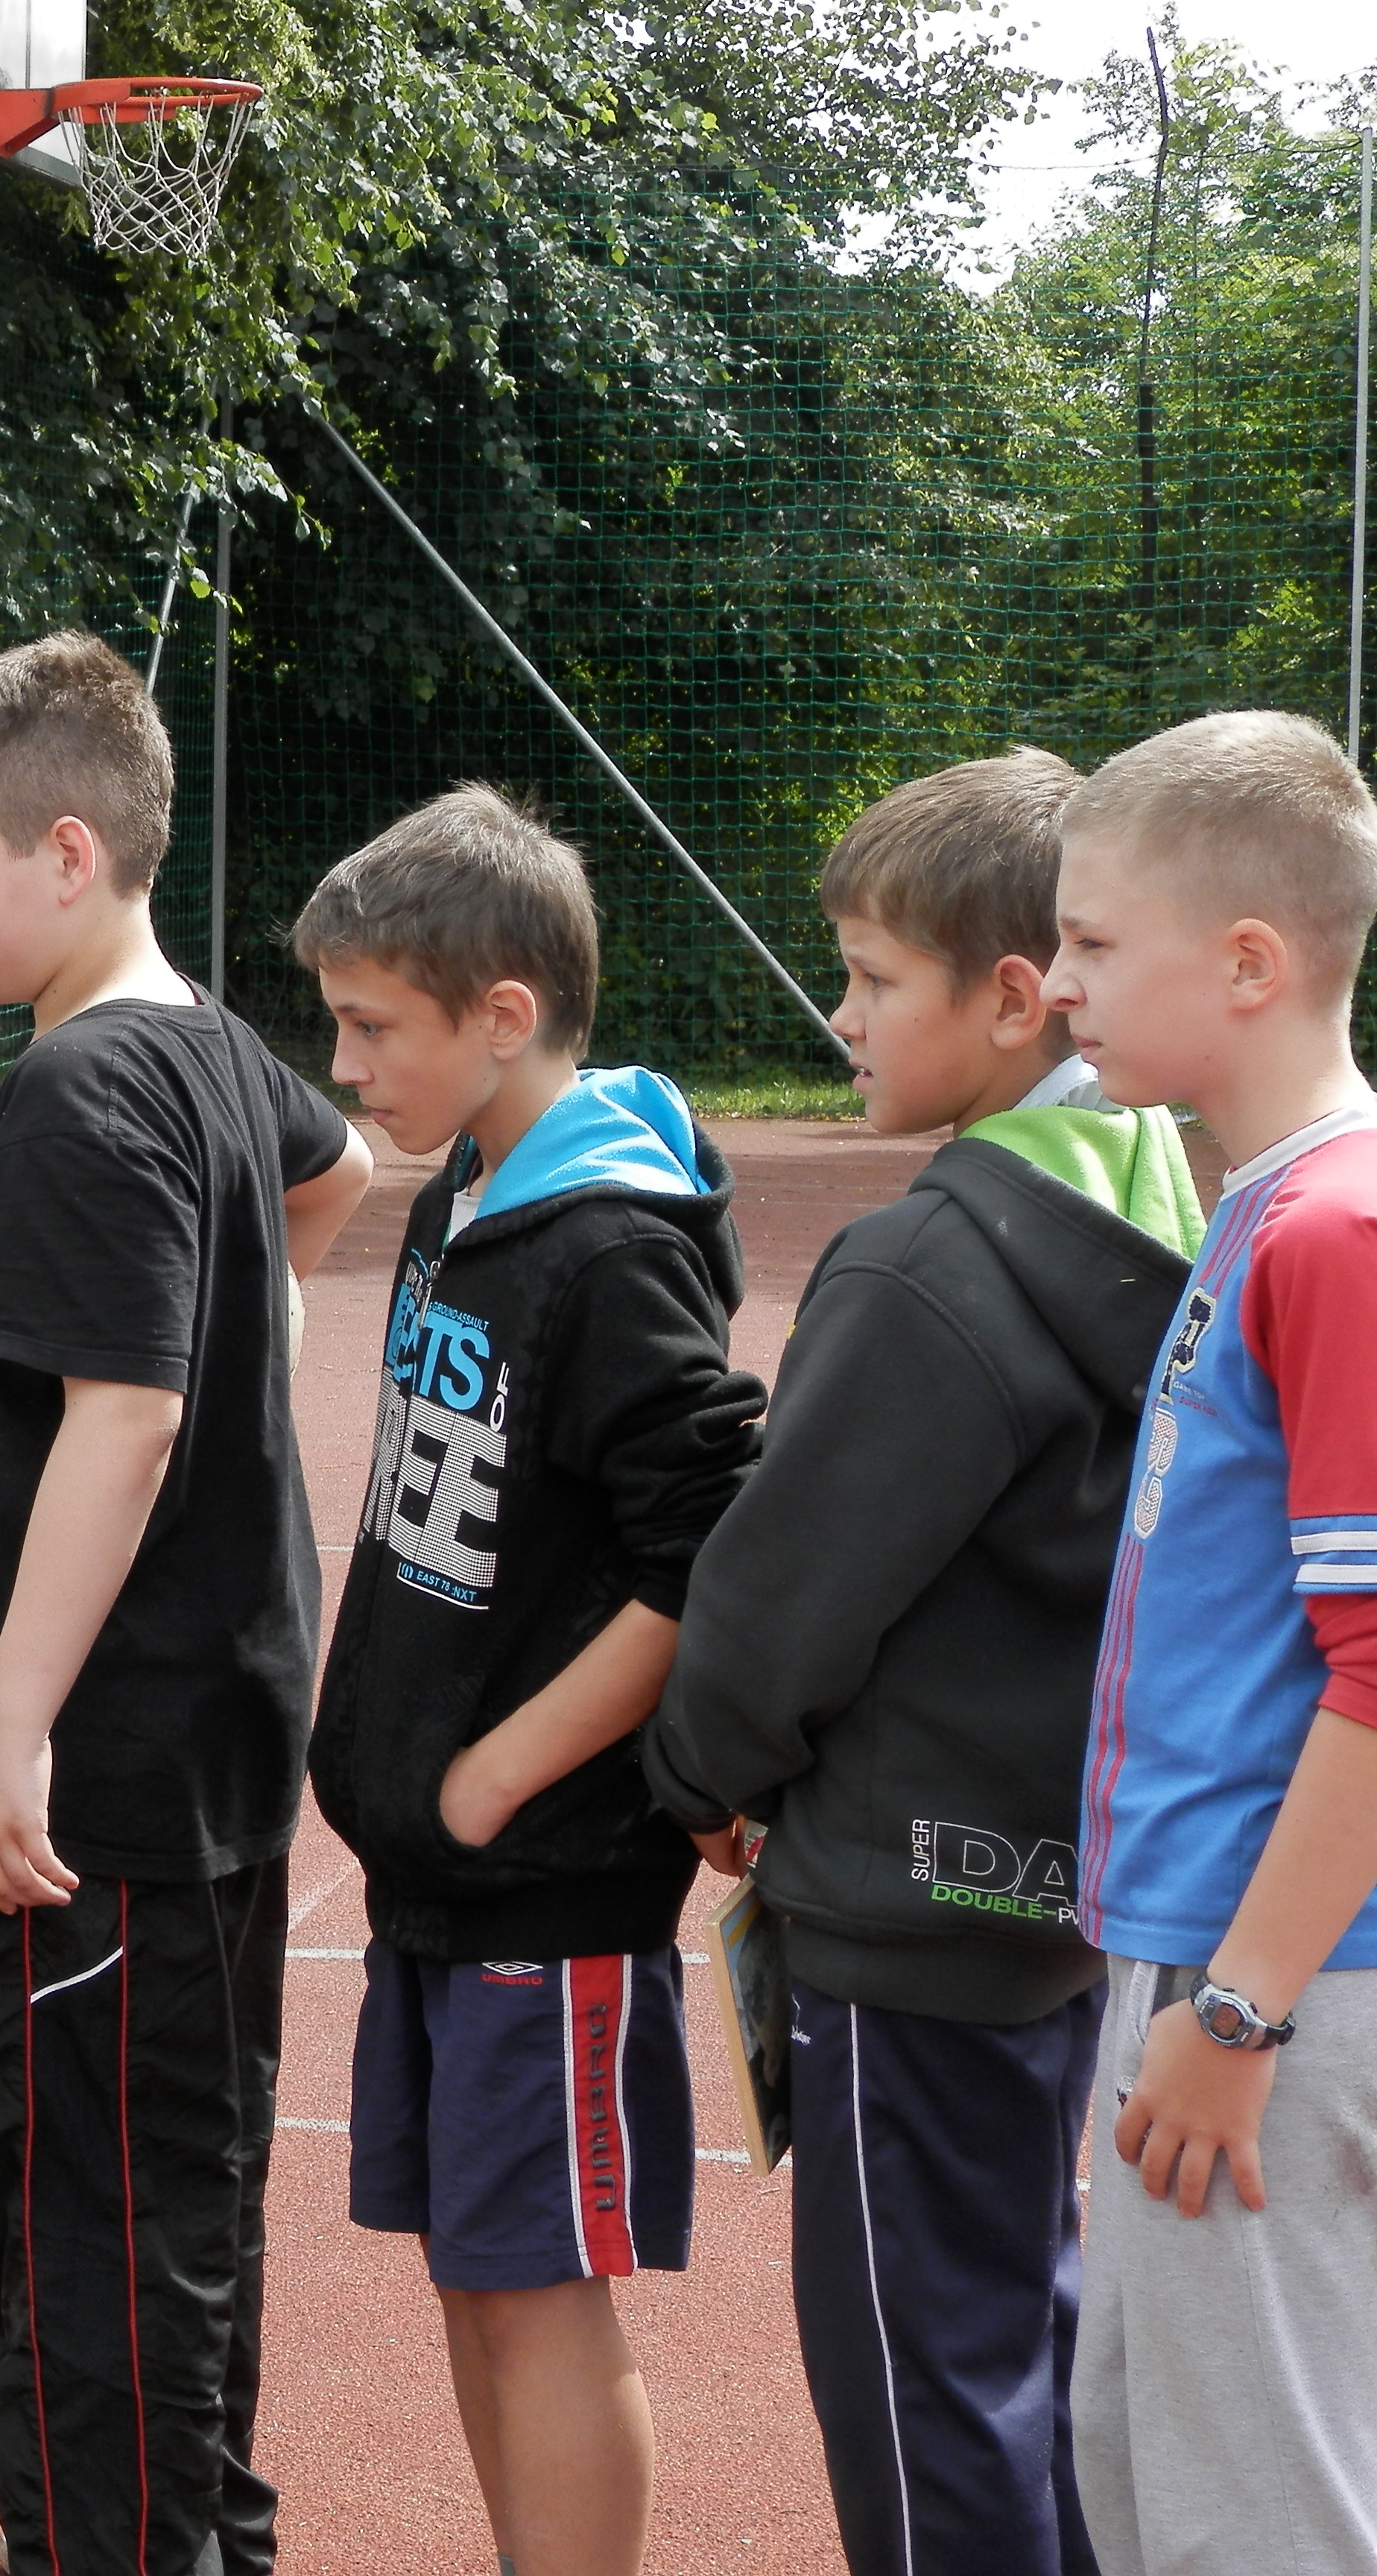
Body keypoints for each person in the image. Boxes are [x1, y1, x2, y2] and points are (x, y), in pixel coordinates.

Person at [643, 751, 1190, 2576]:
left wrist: (701, 1772)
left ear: (1017, 999)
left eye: (875, 977)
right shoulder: (1166, 1202)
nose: (842, 1014)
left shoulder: (928, 1267)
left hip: (902, 1907)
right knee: (1022, 2352)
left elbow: (785, 1589)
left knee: (915, 2395)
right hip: (1061, 1891)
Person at [0, 634, 371, 2576]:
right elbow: (332, 1170)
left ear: (70, 853)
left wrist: (11, 1730)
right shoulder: (202, 1041)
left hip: (97, 1786)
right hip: (177, 1748)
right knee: (165, 2214)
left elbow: (129, 1415)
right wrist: (258, 1317)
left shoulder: (87, 1084)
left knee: (85, 2248)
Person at [294, 786, 763, 2576]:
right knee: (475, 2277)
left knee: (541, 2289)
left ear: (504, 1015)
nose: (346, 1068)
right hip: (444, 1867)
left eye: (372, 1029)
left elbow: (706, 1545)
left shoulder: (609, 1246)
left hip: (543, 1879)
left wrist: (499, 1773)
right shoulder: (469, 1193)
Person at [1037, 710, 1377, 2573]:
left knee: (1255, 2527)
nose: (1058, 982)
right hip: (1222, 1959)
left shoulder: (1333, 1231)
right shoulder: (1264, 1207)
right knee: (1159, 2489)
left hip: (1276, 1980)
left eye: (1094, 942)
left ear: (1249, 963)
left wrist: (1240, 2008)